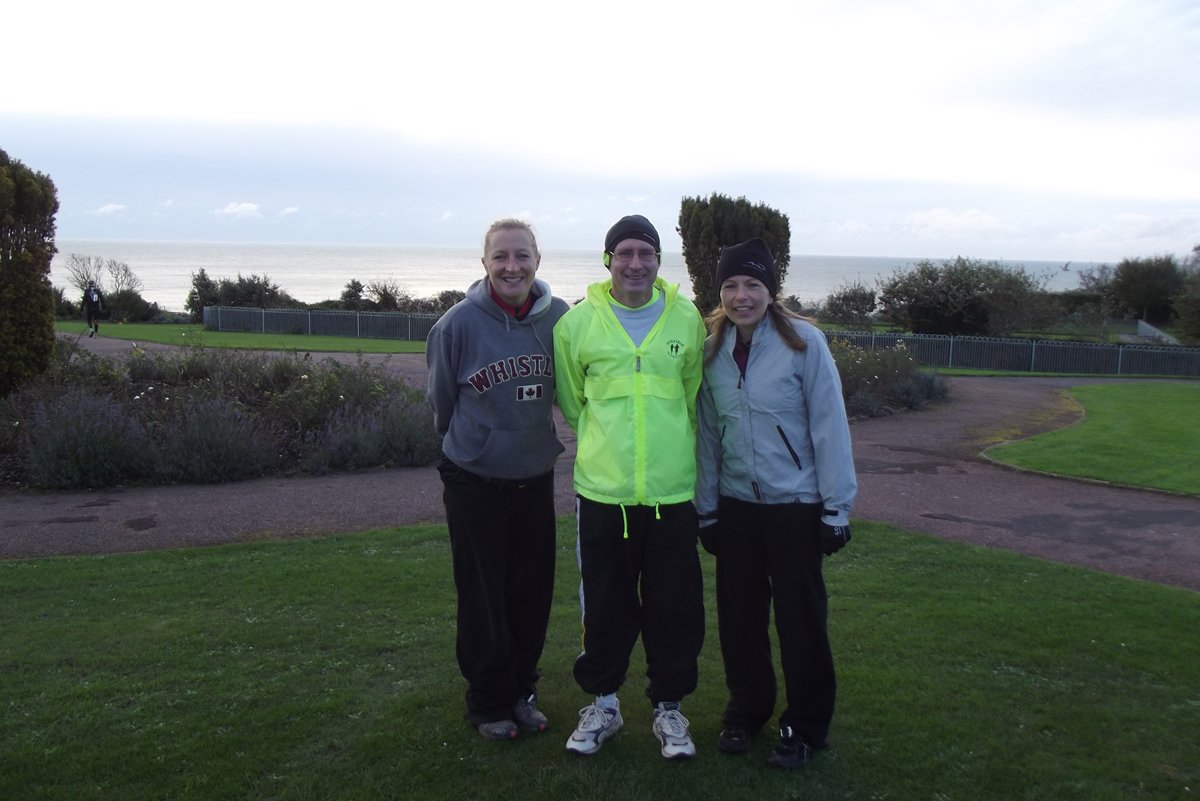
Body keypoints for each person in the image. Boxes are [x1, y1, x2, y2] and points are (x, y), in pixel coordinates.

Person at [694, 237, 857, 769]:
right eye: (731, 286)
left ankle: (805, 725)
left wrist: (836, 509)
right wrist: (707, 508)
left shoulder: (805, 343)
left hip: (795, 505)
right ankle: (747, 711)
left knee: (799, 620)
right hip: (737, 506)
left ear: (770, 289)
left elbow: (830, 426)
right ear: (720, 293)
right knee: (740, 620)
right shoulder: (711, 350)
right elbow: (708, 435)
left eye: (752, 284)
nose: (741, 296)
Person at [553, 214, 707, 760]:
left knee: (674, 607)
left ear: (659, 260)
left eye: (646, 253)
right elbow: (574, 403)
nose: (635, 264)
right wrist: (610, 454)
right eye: (625, 253)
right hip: (603, 496)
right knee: (605, 607)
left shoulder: (687, 319)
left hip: (671, 496)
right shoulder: (576, 325)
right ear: (608, 260)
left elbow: (691, 397)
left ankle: (669, 709)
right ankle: (603, 705)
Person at [425, 218, 569, 741]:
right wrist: (477, 444)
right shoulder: (457, 324)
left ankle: (521, 691)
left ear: (537, 260)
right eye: (501, 257)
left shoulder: (560, 318)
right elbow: (442, 402)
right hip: (474, 480)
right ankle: (487, 702)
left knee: (531, 593)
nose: (512, 267)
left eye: (522, 256)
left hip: (533, 476)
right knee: (483, 596)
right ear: (484, 262)